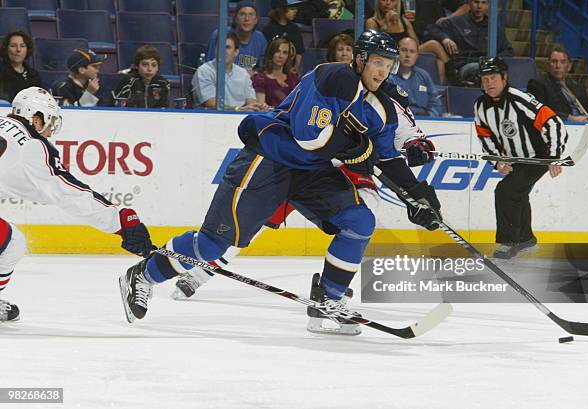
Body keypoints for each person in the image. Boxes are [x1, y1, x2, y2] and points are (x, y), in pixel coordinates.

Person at [119, 31, 442, 335]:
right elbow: (308, 137)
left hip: (313, 173)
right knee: (213, 244)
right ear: (359, 59)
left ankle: (328, 299)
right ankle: (144, 274)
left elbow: (386, 157)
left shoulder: (382, 108)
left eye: (388, 65)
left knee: (359, 220)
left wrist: (415, 195)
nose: (382, 71)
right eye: (377, 62)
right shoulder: (332, 77)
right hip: (271, 159)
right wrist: (357, 148)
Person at [170, 80, 438, 309]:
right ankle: (201, 271)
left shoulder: (388, 102)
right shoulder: (336, 86)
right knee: (255, 220)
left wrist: (419, 149)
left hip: (344, 173)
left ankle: (332, 289)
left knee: (364, 213)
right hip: (305, 164)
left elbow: (413, 137)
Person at [0, 87, 154, 321]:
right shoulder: (33, 145)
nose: (50, 131)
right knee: (12, 243)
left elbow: (28, 186)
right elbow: (68, 192)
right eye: (48, 121)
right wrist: (120, 222)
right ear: (34, 117)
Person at [474, 57, 568, 259]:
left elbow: (554, 123)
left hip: (538, 157)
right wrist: (497, 161)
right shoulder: (480, 106)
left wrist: (553, 156)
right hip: (516, 159)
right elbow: (485, 136)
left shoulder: (519, 99)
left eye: (493, 77)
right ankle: (526, 240)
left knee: (505, 190)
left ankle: (510, 242)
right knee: (517, 193)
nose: (489, 83)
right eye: (485, 78)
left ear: (504, 78)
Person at [427, 0, 513, 86]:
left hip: (487, 66)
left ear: (488, 5)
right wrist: (445, 39)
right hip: (464, 67)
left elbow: (508, 50)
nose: (479, 6)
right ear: (469, 3)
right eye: (476, 2)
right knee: (480, 70)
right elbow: (432, 29)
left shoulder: (494, 27)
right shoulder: (457, 22)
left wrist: (493, 61)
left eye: (483, 3)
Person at [366, 0, 450, 82]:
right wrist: (385, 25)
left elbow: (415, 44)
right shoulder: (372, 22)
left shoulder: (404, 21)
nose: (388, 3)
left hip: (406, 50)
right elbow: (374, 47)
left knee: (434, 45)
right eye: (384, 0)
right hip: (389, 54)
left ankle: (452, 74)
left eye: (392, 0)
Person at [527, 47, 588, 123]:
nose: (558, 66)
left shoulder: (577, 85)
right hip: (565, 122)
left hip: (586, 119)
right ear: (548, 64)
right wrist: (570, 118)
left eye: (562, 62)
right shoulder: (537, 83)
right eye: (554, 61)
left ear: (569, 66)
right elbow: (539, 110)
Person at [193, 32, 267, 111]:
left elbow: (251, 100)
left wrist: (258, 106)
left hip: (240, 117)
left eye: (227, 47)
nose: (223, 51)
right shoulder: (204, 71)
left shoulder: (243, 73)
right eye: (220, 47)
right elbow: (211, 103)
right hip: (211, 119)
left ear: (236, 52)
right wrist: (237, 109)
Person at [206, 0, 268, 74]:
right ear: (235, 18)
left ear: (256, 20)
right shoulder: (220, 35)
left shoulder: (260, 39)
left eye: (251, 14)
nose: (247, 19)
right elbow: (209, 67)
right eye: (242, 14)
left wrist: (255, 73)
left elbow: (264, 69)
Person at [388, 36, 442, 116]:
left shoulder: (424, 76)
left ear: (417, 55)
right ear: (396, 53)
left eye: (412, 51)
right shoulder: (388, 77)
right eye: (404, 50)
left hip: (425, 121)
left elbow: (435, 103)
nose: (408, 55)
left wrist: (430, 115)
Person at [252, 37, 300, 107]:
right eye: (277, 51)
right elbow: (261, 107)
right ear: (271, 53)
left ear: (288, 56)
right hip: (270, 116)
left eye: (285, 53)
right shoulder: (260, 79)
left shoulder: (294, 79)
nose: (281, 56)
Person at [262, 0, 305, 72]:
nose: (296, 11)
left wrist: (296, 67)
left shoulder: (295, 28)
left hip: (290, 70)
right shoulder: (269, 29)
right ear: (281, 10)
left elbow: (299, 52)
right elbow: (266, 54)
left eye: (295, 8)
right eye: (292, 9)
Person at [0, 31, 42, 103]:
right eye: (13, 46)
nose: (18, 50)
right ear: (6, 49)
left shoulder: (34, 75)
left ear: (27, 49)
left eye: (22, 46)